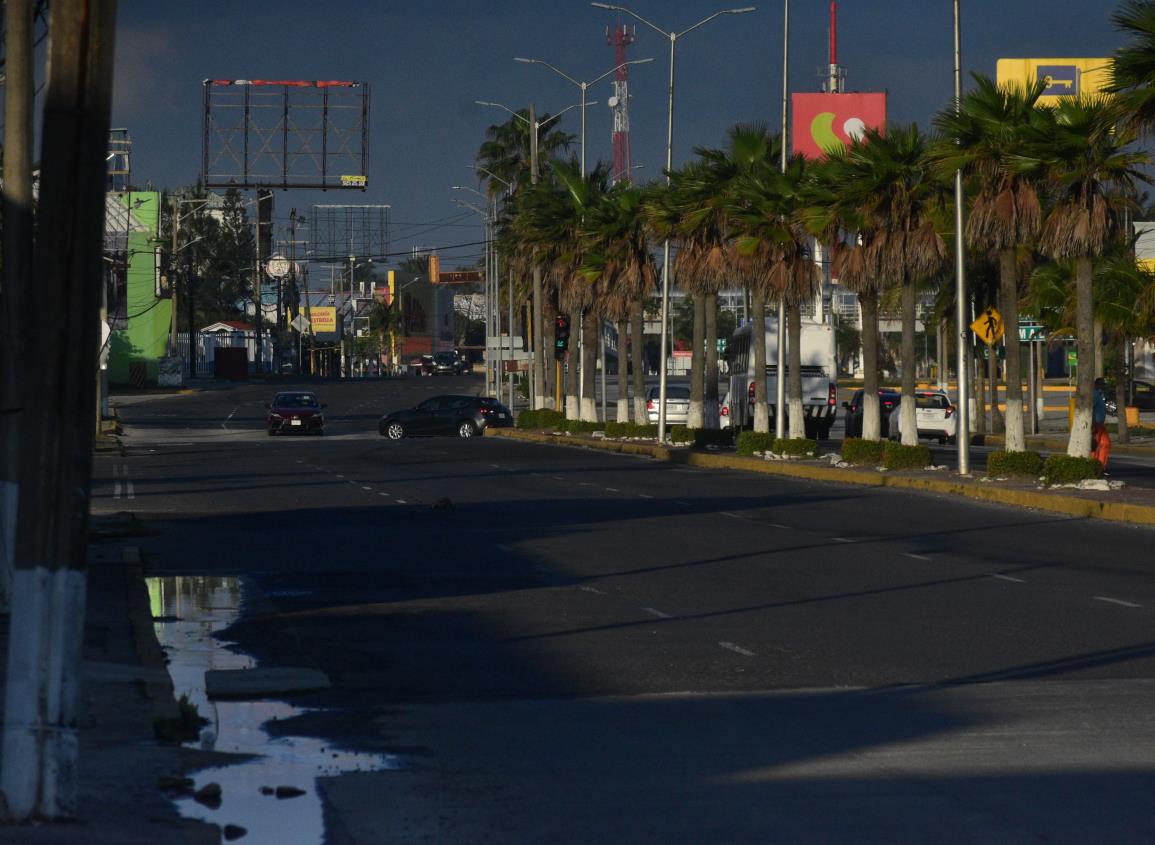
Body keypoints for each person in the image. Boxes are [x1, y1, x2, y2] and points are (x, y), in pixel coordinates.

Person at [1092, 377, 1111, 470]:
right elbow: (1091, 409)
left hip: (1100, 424)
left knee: (1105, 443)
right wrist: (1093, 424)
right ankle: (1093, 465)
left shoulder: (1100, 394)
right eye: (1101, 384)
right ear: (1096, 385)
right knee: (1094, 445)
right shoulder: (1095, 394)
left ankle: (1100, 466)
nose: (1103, 387)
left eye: (1103, 385)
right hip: (1095, 424)